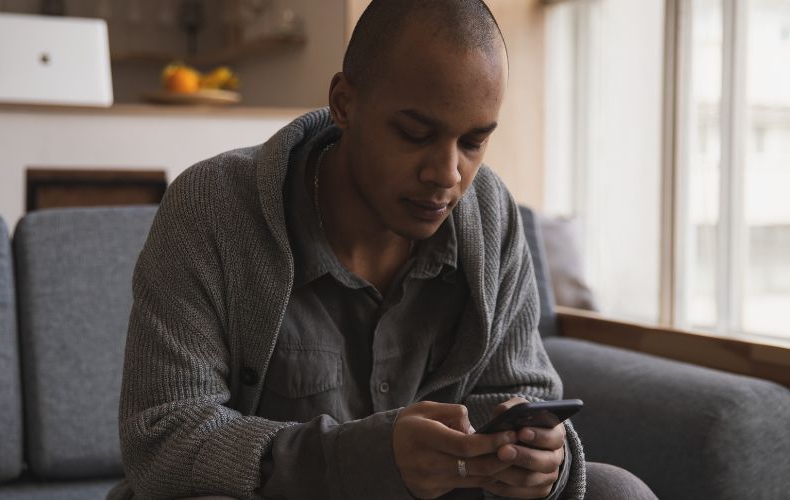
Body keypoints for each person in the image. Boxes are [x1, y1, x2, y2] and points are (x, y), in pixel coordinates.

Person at [109, 1, 657, 499]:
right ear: (344, 103)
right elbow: (164, 439)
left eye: (473, 142)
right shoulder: (213, 207)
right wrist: (363, 458)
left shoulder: (490, 213)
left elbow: (519, 394)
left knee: (618, 492)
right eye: (415, 134)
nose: (447, 174)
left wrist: (541, 463)